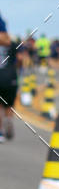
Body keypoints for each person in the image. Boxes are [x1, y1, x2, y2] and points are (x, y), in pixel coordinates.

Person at [0, 13, 18, 142]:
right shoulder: (12, 43)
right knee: (9, 105)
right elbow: (20, 59)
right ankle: (8, 119)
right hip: (11, 76)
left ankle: (0, 132)